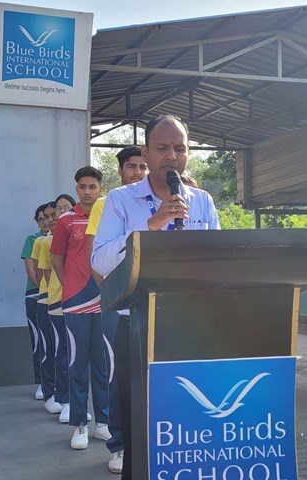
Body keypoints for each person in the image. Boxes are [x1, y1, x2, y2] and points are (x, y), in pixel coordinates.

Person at [92, 114, 220, 480]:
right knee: (140, 425)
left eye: (180, 148)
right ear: (146, 152)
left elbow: (218, 260)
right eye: (162, 148)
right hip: (137, 328)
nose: (171, 156)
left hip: (191, 328)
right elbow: (100, 260)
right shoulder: (120, 200)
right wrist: (149, 226)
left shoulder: (202, 200)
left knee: (187, 422)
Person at [85, 146, 147, 474]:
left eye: (142, 166)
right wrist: (111, 295)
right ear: (120, 170)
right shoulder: (107, 203)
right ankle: (119, 444)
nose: (137, 172)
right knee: (117, 373)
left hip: (151, 304)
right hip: (117, 305)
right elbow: (97, 256)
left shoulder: (159, 201)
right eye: (131, 166)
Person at [51, 167, 110, 450]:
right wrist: (70, 289)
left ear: (100, 188)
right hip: (76, 301)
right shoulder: (65, 220)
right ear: (77, 189)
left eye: (92, 186)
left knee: (103, 364)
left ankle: (103, 423)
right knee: (77, 362)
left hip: (106, 300)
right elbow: (57, 259)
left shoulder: (110, 215)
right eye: (82, 187)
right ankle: (79, 424)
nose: (87, 191)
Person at [38, 194, 77, 424]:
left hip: (82, 301)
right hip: (58, 301)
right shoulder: (47, 241)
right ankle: (64, 400)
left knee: (79, 355)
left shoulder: (82, 232)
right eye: (58, 209)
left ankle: (76, 401)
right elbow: (45, 273)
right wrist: (63, 287)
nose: (60, 213)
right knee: (62, 352)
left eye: (65, 208)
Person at [31, 202, 63, 414]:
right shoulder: (42, 241)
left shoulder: (72, 237)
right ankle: (48, 392)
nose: (51, 220)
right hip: (47, 300)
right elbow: (40, 273)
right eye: (47, 216)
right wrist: (51, 290)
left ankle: (63, 394)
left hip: (69, 301)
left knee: (64, 351)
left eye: (54, 214)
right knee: (48, 347)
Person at [21, 204, 48, 400]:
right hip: (36, 294)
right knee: (39, 339)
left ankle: (57, 383)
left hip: (59, 296)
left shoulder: (60, 236)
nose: (45, 222)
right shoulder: (32, 240)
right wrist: (46, 288)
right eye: (40, 219)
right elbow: (32, 270)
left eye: (48, 217)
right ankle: (41, 382)